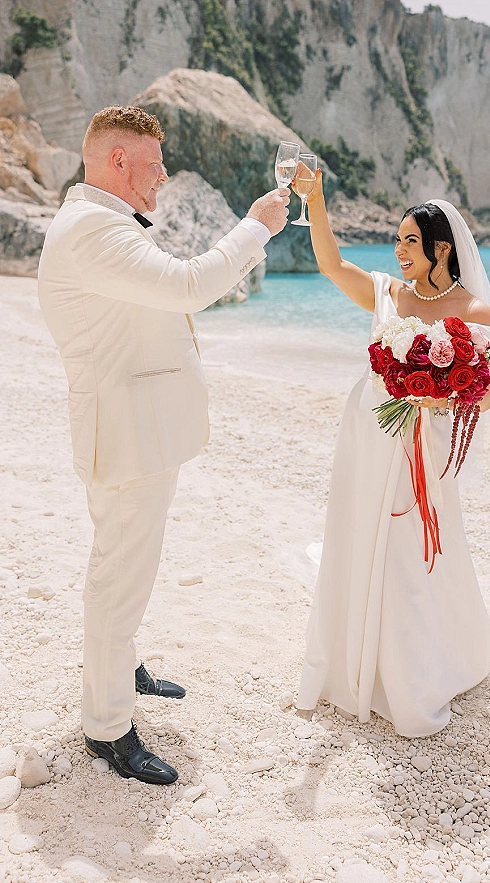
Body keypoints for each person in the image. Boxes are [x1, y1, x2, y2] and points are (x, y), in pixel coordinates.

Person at [38, 105, 290, 783]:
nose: (165, 173)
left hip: (132, 426)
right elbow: (191, 285)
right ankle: (108, 727)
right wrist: (256, 226)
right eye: (155, 161)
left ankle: (119, 665)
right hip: (126, 434)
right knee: (119, 574)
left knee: (125, 562)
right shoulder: (92, 230)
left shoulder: (103, 224)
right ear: (118, 160)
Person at [296, 168, 490, 737]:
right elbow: (332, 266)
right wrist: (316, 203)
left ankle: (417, 669)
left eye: (410, 240)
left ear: (442, 248)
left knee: (417, 548)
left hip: (427, 447)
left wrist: (434, 389)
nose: (399, 250)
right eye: (396, 240)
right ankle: (355, 656)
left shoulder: (475, 312)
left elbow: (482, 402)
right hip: (369, 436)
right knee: (365, 536)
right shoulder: (389, 293)